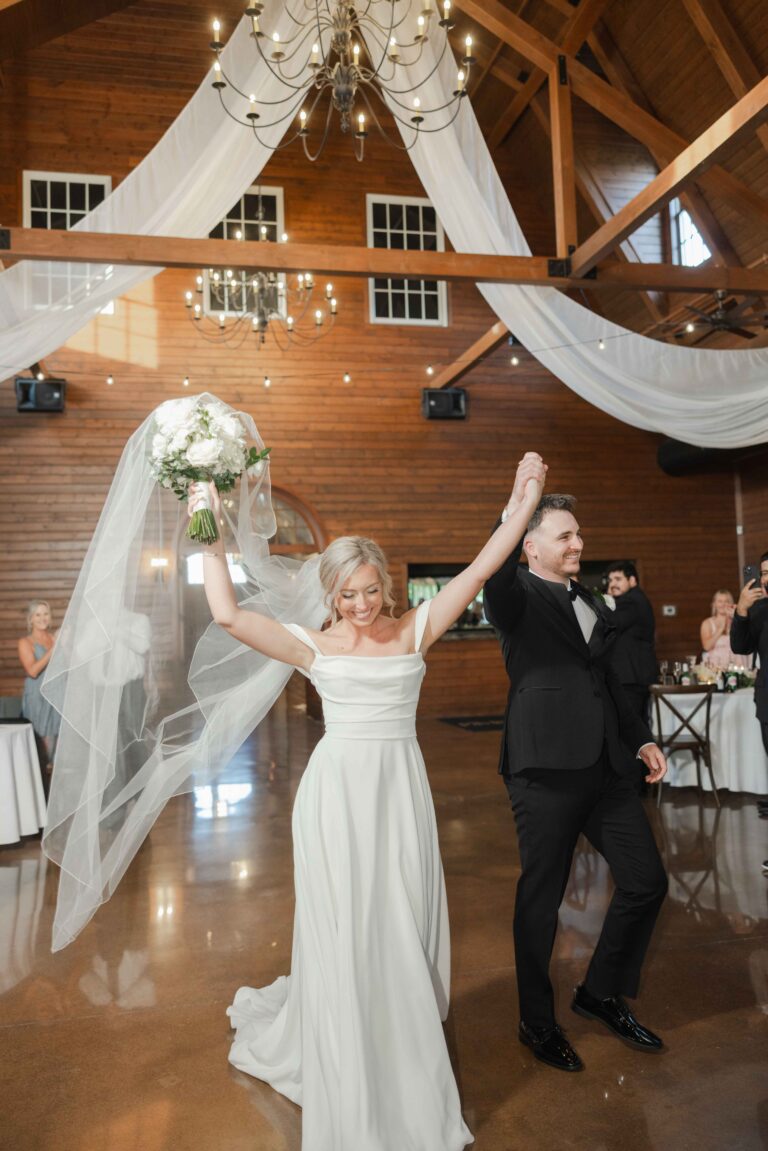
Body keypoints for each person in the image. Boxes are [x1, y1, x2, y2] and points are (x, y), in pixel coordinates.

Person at [189, 451, 548, 1151]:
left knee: (401, 920)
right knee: (351, 925)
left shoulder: (416, 629)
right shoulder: (312, 646)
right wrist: (207, 522)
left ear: (385, 584)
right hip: (336, 798)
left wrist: (521, 503)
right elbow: (228, 614)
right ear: (330, 593)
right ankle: (352, 1053)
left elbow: (478, 571)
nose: (360, 603)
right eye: (347, 592)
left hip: (400, 790)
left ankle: (402, 1034)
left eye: (369, 588)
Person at [484, 487, 668, 1074]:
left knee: (647, 881)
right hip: (543, 768)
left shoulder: (592, 600)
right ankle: (537, 1022)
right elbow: (494, 570)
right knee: (542, 900)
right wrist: (518, 501)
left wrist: (639, 737)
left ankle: (599, 992)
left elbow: (612, 684)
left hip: (608, 768)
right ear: (530, 547)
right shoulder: (514, 597)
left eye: (578, 533)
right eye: (565, 535)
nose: (578, 543)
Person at [731, 552, 768, 826]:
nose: (766, 578)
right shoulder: (758, 609)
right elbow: (740, 647)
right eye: (764, 573)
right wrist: (741, 610)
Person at [605, 561, 658, 731]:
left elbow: (610, 623)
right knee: (638, 730)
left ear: (633, 580)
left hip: (631, 677)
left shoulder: (631, 601)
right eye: (610, 580)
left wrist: (603, 601)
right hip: (637, 676)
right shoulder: (637, 599)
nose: (612, 584)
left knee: (631, 732)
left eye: (618, 579)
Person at [18, 600, 60, 779]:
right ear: (31, 619)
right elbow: (33, 671)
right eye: (38, 614)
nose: (43, 618)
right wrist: (53, 650)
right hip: (38, 698)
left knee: (59, 747)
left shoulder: (55, 638)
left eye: (46, 614)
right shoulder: (25, 642)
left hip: (58, 696)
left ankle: (56, 798)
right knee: (42, 747)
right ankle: (40, 792)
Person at [700, 589, 751, 670]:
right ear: (714, 604)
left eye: (726, 601)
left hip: (738, 664)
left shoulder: (737, 621)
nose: (723, 604)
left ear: (731, 603)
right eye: (720, 601)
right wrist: (721, 628)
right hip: (717, 667)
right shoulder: (707, 623)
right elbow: (706, 647)